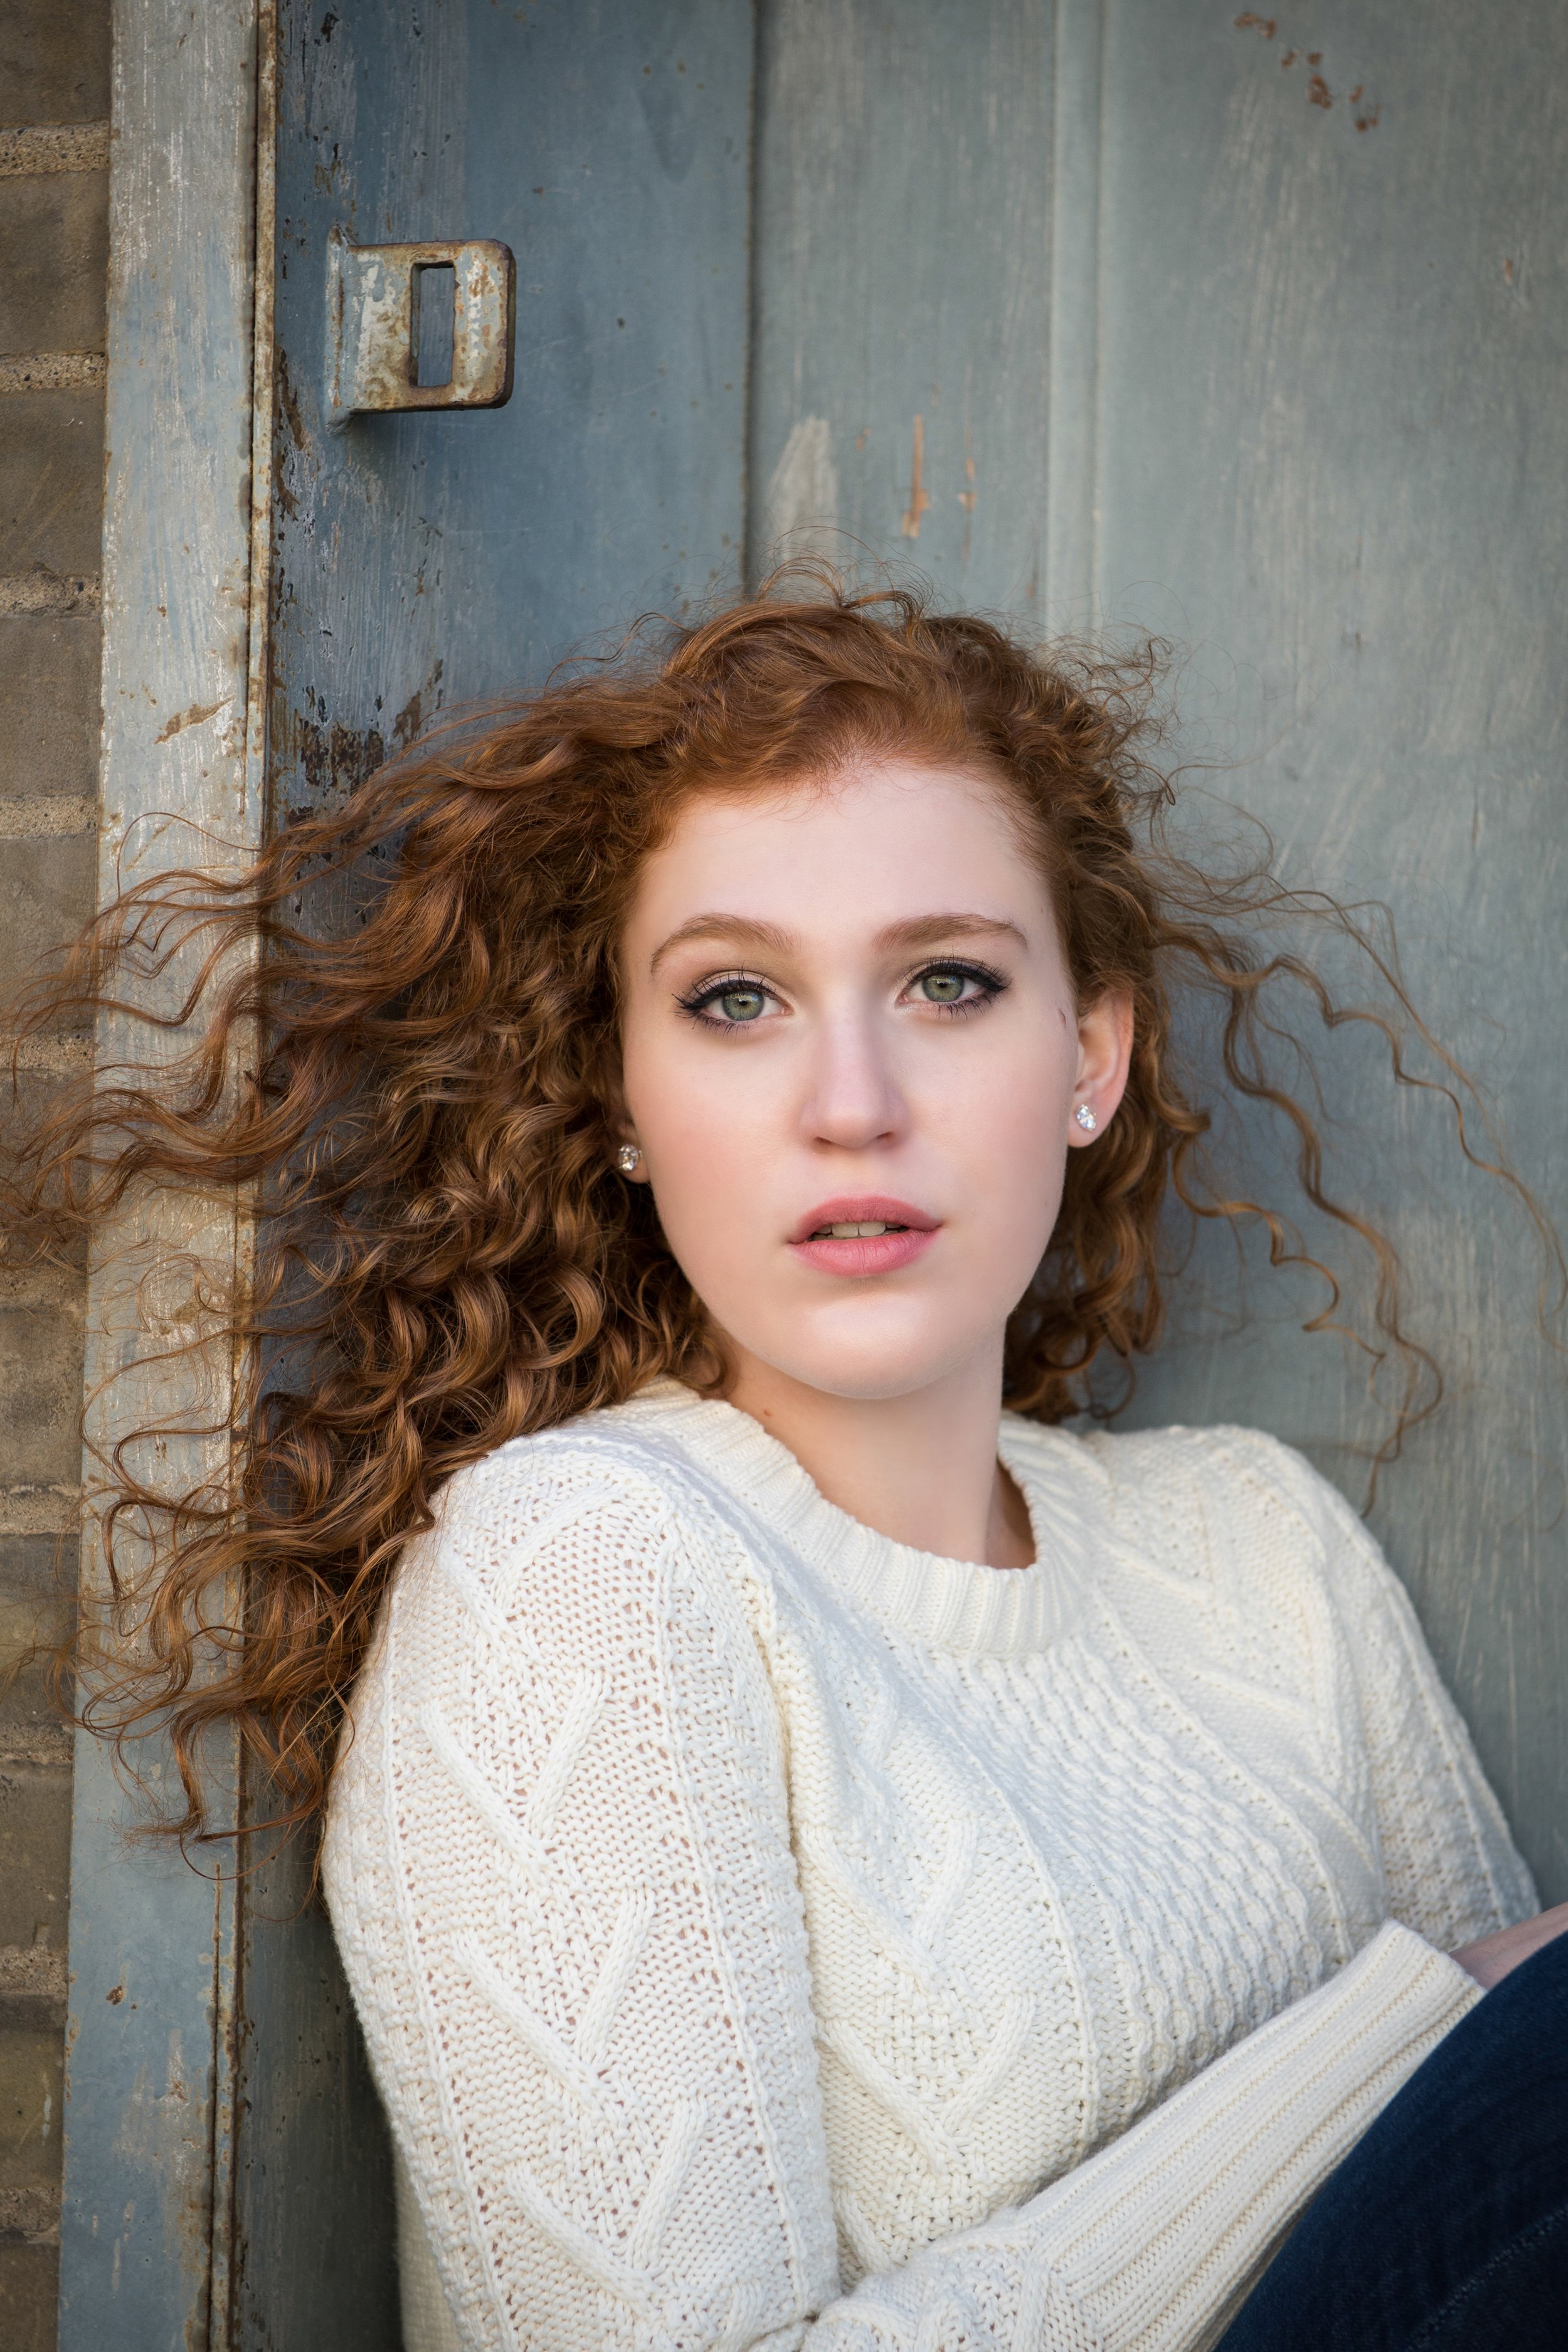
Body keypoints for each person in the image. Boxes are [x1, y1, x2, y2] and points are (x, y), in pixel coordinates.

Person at [10, 586, 1565, 2349]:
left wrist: (1461, 2029)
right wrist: (1401, 2018)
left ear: (1090, 1058)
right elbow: (1476, 2052)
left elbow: (1486, 2191)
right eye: (735, 999)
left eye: (948, 983)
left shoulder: (1254, 1543)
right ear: (617, 1092)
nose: (851, 1097)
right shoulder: (586, 1570)